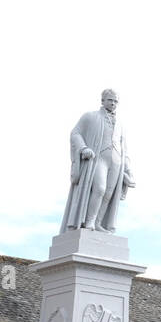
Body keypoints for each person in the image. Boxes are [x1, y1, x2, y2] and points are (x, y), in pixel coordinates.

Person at [62, 88, 136, 234]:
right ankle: (89, 221)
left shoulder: (121, 124)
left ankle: (97, 222)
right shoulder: (90, 116)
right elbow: (75, 133)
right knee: (100, 188)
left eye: (116, 101)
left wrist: (128, 170)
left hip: (116, 162)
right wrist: (83, 148)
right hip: (99, 159)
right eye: (110, 100)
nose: (113, 103)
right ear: (102, 100)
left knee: (109, 193)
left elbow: (124, 149)